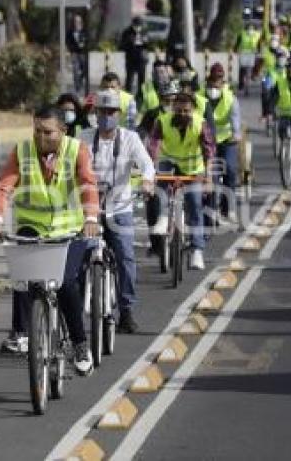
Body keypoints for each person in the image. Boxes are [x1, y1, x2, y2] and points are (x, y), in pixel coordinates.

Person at [0, 105, 99, 375]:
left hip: (68, 230)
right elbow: (4, 186)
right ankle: (22, 333)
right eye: (36, 130)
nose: (41, 137)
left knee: (66, 283)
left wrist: (91, 217)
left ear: (63, 131)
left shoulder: (76, 150)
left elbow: (87, 185)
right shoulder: (23, 151)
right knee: (23, 276)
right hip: (32, 227)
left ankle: (80, 344)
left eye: (48, 132)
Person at [80, 90, 155, 333]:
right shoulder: (82, 138)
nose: (106, 116)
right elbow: (68, 164)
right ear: (95, 114)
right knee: (79, 257)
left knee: (125, 255)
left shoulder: (130, 138)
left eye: (111, 112)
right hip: (89, 209)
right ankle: (74, 309)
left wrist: (147, 180)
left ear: (119, 114)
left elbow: (146, 163)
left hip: (119, 207)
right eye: (101, 112)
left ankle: (126, 310)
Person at [146, 92, 216, 271]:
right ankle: (163, 218)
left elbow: (209, 151)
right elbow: (153, 146)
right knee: (159, 191)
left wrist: (208, 178)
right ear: (173, 108)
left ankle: (197, 251)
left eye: (186, 111)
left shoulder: (200, 124)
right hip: (168, 162)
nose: (182, 114)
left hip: (193, 167)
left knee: (194, 203)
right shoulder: (162, 121)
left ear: (192, 110)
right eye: (179, 110)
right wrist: (150, 173)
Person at [205, 75, 242, 224]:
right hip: (208, 142)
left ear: (222, 85)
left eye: (217, 86)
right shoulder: (201, 98)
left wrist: (236, 134)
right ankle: (211, 209)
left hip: (227, 140)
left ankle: (229, 208)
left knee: (231, 170)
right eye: (211, 86)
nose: (214, 89)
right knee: (211, 176)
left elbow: (235, 120)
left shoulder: (230, 98)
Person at [119, 16, 149, 94]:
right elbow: (122, 45)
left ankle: (141, 94)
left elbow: (149, 44)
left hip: (141, 58)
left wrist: (145, 41)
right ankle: (128, 94)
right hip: (131, 58)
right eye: (136, 25)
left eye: (140, 25)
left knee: (142, 79)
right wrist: (130, 41)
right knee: (130, 78)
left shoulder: (144, 31)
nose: (138, 27)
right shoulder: (127, 32)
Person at [234, 21, 261, 93]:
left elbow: (259, 44)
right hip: (243, 53)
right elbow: (237, 42)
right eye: (249, 28)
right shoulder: (242, 34)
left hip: (252, 53)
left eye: (252, 28)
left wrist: (258, 50)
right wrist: (235, 49)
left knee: (250, 69)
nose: (250, 29)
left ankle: (250, 81)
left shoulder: (257, 35)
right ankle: (241, 83)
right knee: (242, 69)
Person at [67, 13, 89, 95]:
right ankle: (77, 87)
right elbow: (68, 42)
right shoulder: (70, 31)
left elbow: (88, 41)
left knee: (85, 70)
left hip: (83, 53)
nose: (77, 23)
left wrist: (84, 44)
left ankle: (80, 80)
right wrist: (72, 49)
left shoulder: (84, 31)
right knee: (75, 70)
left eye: (78, 21)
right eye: (75, 21)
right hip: (74, 53)